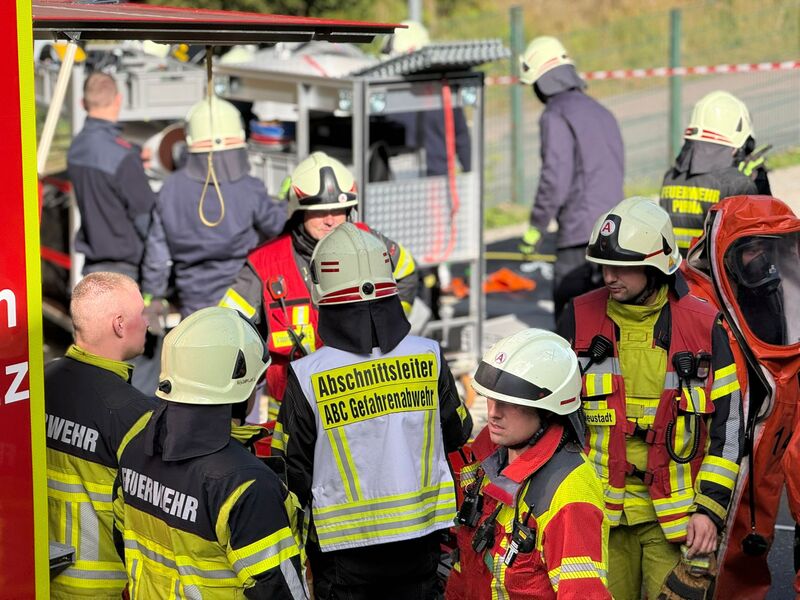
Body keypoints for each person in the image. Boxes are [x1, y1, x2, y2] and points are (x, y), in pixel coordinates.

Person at [271, 222, 472, 599]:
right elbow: (458, 431)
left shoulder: (307, 375)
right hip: (423, 544)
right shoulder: (427, 355)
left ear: (320, 291)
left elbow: (290, 470)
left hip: (344, 557)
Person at [556, 197, 743, 600]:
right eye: (604, 266)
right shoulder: (578, 319)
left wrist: (709, 511)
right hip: (599, 515)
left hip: (675, 522)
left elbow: (729, 431)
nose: (608, 277)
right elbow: (554, 423)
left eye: (622, 268)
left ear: (656, 265)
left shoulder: (703, 326)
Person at [113, 306, 307, 599]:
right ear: (241, 387)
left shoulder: (134, 447)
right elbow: (279, 590)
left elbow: (121, 539)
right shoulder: (246, 486)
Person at [219, 151, 417, 416]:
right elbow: (228, 326)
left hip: (363, 395)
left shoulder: (370, 243)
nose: (331, 220)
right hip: (293, 407)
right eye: (319, 210)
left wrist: (389, 326)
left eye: (339, 210)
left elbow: (406, 270)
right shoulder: (264, 263)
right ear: (298, 211)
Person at [682, 195, 800, 599]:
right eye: (751, 249)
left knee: (754, 539)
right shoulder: (695, 301)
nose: (762, 260)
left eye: (768, 250)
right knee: (709, 556)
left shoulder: (773, 287)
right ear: (725, 254)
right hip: (718, 443)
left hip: (770, 429)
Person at [446, 328, 610, 599]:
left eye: (509, 403)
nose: (493, 413)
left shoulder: (570, 491)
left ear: (548, 409)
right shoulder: (484, 462)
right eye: (490, 398)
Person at [45, 272, 156, 599]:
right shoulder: (135, 414)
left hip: (40, 578)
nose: (148, 323)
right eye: (141, 314)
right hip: (104, 588)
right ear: (119, 324)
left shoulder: (38, 384)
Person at [141, 94, 286, 321]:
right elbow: (278, 226)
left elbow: (157, 255)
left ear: (189, 141)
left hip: (194, 304)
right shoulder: (250, 188)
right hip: (244, 301)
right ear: (239, 138)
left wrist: (153, 295)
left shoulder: (169, 189)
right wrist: (287, 201)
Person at [517, 36, 624, 322]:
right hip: (612, 233)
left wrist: (536, 227)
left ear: (541, 81)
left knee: (571, 323)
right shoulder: (602, 112)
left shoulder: (555, 115)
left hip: (577, 237)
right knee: (608, 321)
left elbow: (555, 177)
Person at [67, 72, 157, 281]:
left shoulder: (76, 148)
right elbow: (146, 218)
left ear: (83, 103)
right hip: (126, 271)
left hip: (92, 267)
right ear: (118, 100)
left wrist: (133, 156)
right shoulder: (124, 158)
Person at [660, 90, 772, 255]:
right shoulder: (739, 184)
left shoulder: (670, 177)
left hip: (677, 277)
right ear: (738, 142)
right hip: (714, 279)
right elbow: (757, 248)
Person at [382, 20, 472, 177]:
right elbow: (462, 137)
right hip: (432, 179)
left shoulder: (388, 95)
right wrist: (469, 172)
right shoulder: (443, 91)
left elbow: (461, 137)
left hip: (405, 183)